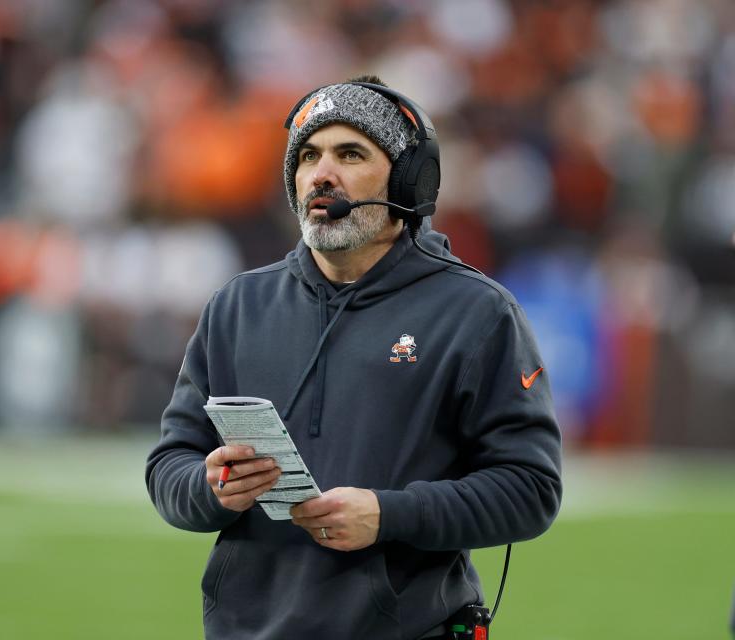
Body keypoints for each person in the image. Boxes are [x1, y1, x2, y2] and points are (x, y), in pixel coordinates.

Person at [145, 76, 562, 639]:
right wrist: (209, 487)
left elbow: (530, 489)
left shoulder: (477, 314)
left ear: (411, 179)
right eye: (309, 156)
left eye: (350, 153)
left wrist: (389, 514)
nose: (322, 173)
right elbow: (169, 465)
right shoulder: (238, 305)